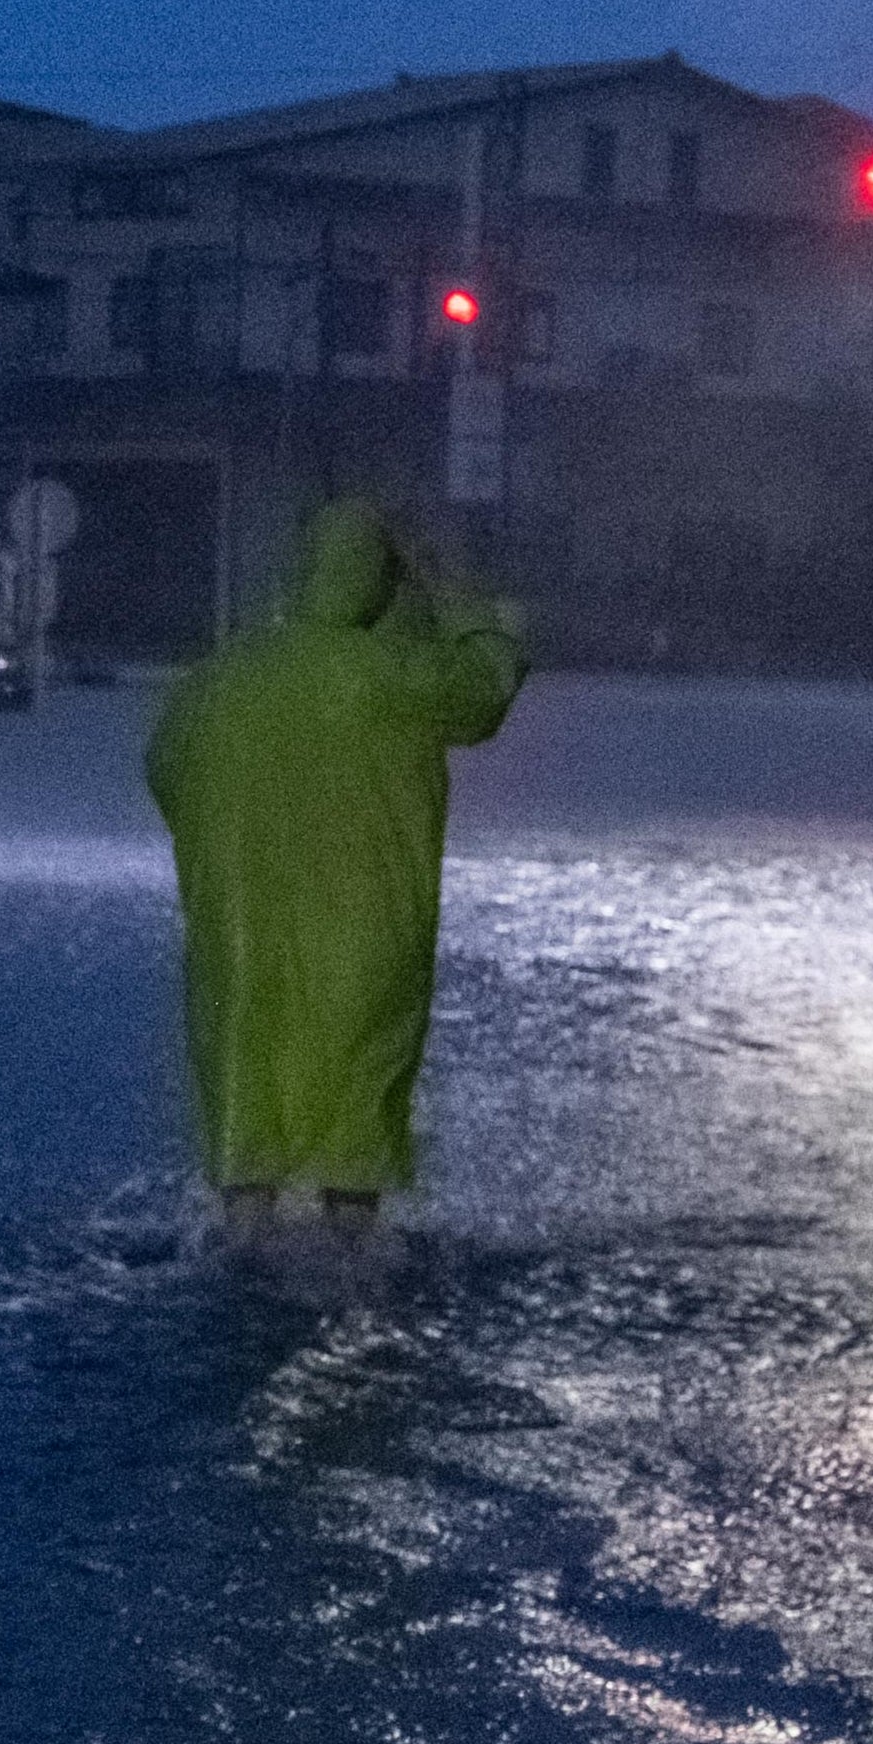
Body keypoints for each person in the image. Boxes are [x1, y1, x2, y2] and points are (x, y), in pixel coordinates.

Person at [142, 495, 531, 1252]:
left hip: (241, 920)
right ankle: (352, 1253)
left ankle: (242, 1238)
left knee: (245, 1069)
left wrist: (232, 840)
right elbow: (486, 687)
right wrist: (456, 597)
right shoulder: (391, 676)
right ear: (377, 585)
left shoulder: (218, 679)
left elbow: (165, 767)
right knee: (358, 1073)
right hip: (367, 918)